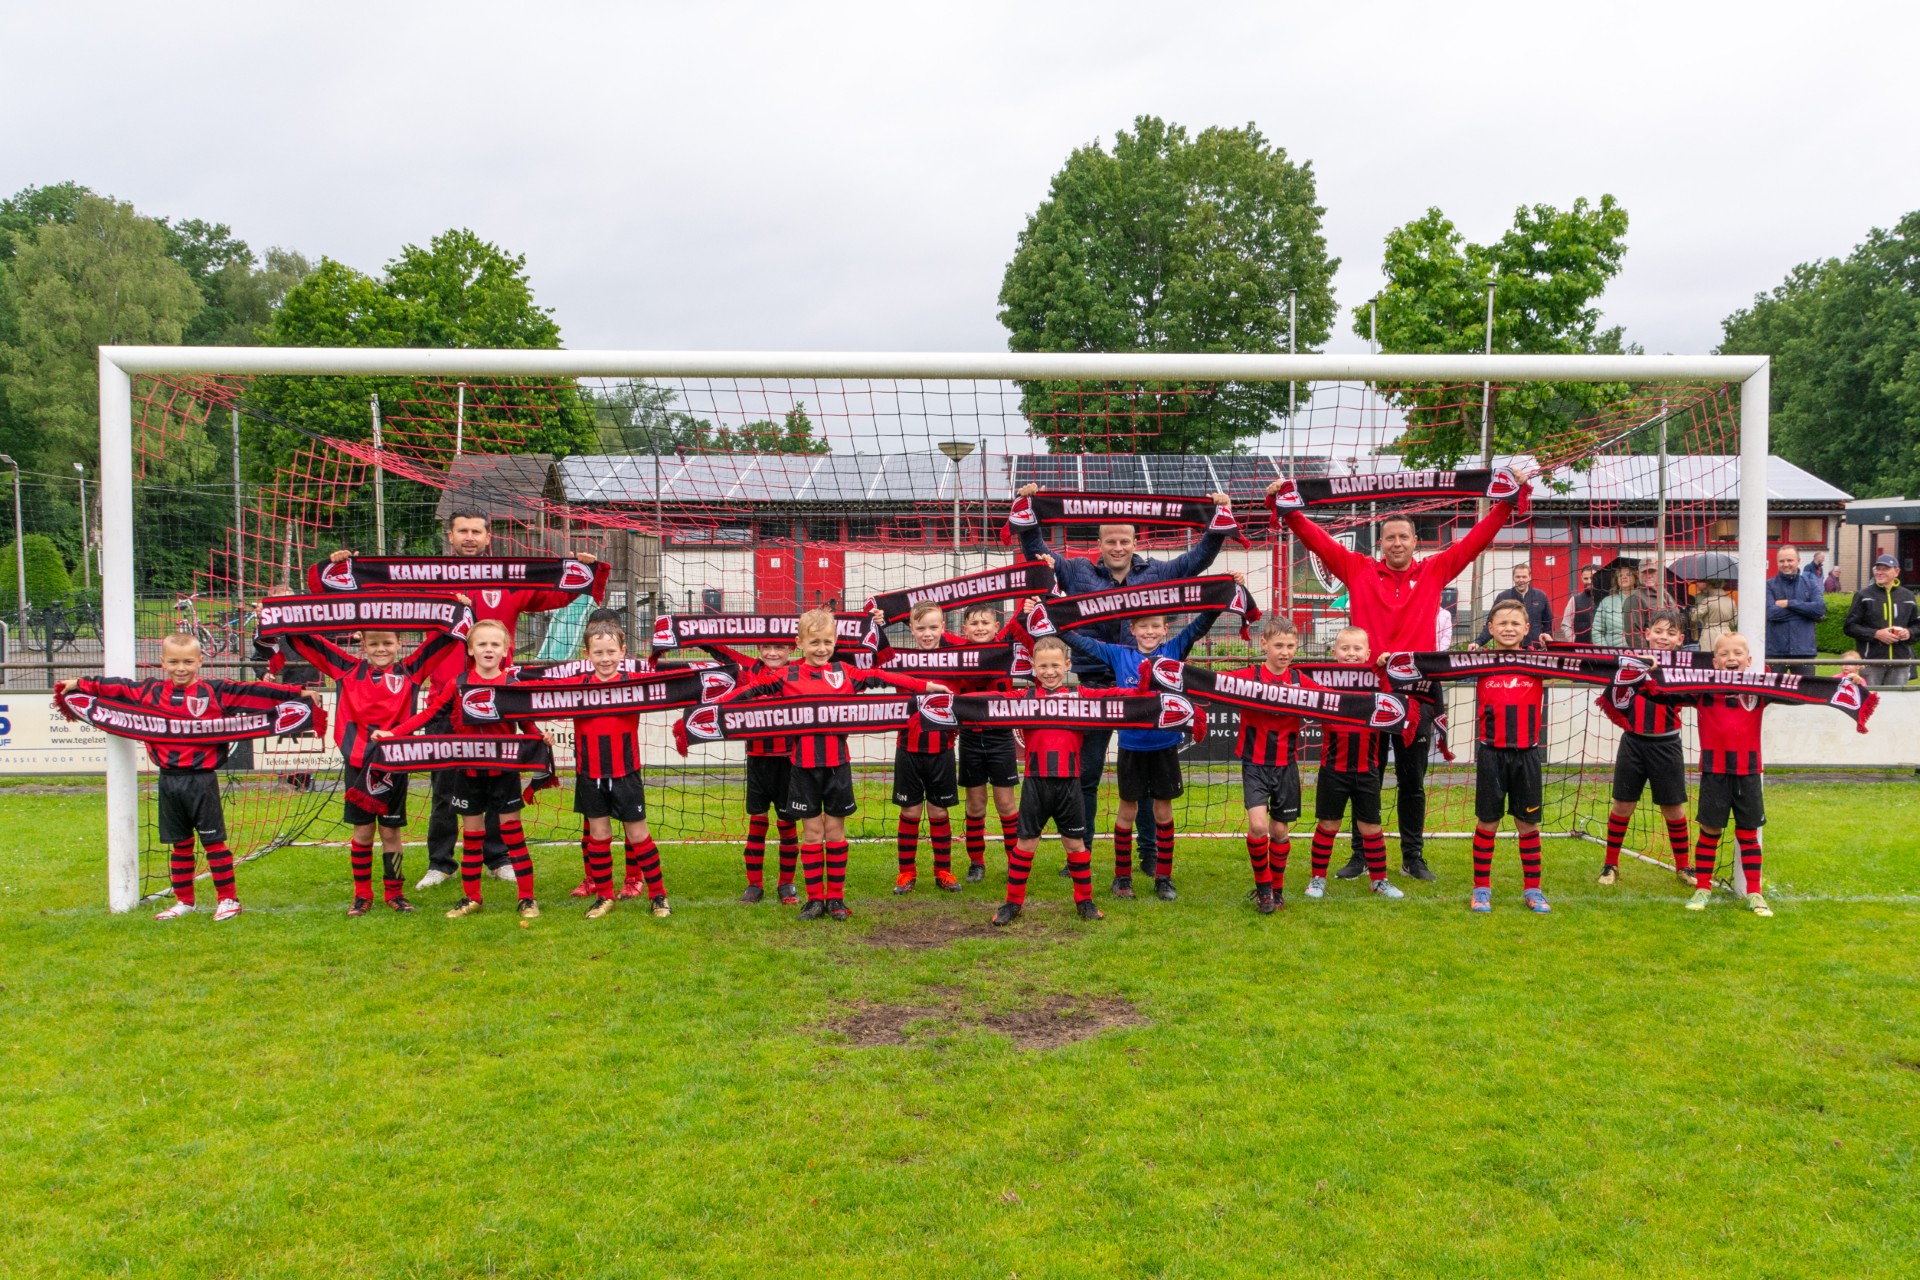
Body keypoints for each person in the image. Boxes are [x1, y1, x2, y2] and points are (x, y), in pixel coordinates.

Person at [318, 510, 601, 892]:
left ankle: (497, 858)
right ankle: (441, 862)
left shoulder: (511, 581)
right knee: (445, 787)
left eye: (477, 531)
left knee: (500, 783)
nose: (469, 537)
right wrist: (347, 571)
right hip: (444, 701)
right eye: (462, 531)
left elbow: (559, 592)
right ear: (450, 536)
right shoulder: (428, 583)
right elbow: (382, 594)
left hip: (497, 701)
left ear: (488, 538)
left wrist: (586, 570)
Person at [1270, 474, 1525, 882]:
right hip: (1365, 694)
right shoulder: (1358, 569)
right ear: (1380, 544)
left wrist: (1508, 503)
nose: (1396, 543)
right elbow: (1319, 541)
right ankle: (1360, 856)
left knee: (1412, 781)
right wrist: (1289, 509)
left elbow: (1475, 541)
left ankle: (1413, 856)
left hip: (1416, 696)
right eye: (1389, 538)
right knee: (1359, 777)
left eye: (1403, 537)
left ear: (1415, 542)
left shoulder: (1435, 571)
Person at [1011, 482, 1234, 875]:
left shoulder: (1158, 572)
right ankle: (1080, 853)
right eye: (1110, 541)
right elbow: (1040, 556)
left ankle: (1149, 856)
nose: (1118, 547)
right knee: (1087, 775)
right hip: (1093, 687)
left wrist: (1216, 523)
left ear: (1135, 541)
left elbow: (1197, 561)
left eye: (1125, 540)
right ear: (1099, 543)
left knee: (1145, 781)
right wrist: (1029, 512)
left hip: (1144, 688)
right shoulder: (1078, 570)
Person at [59, 634, 315, 922]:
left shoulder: (216, 691)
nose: (181, 668)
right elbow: (117, 688)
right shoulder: (149, 691)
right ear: (163, 663)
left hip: (202, 780)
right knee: (180, 844)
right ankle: (184, 901)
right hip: (168, 780)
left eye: (188, 662)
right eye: (174, 662)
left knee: (214, 843)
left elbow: (253, 691)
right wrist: (80, 684)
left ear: (200, 662)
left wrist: (296, 693)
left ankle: (228, 899)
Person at [724, 608, 946, 921]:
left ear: (835, 642)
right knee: (813, 834)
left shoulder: (844, 673)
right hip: (802, 767)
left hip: (837, 766)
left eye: (827, 642)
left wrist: (925, 687)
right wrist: (718, 708)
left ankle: (836, 899)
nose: (821, 648)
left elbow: (881, 677)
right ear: (800, 643)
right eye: (814, 642)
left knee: (835, 833)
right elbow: (752, 690)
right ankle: (815, 900)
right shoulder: (787, 675)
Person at [280, 617, 467, 915]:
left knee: (392, 832)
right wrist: (282, 616)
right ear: (363, 644)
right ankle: (362, 895)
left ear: (399, 644)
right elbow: (309, 642)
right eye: (374, 643)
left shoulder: (411, 670)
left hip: (394, 763)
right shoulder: (347, 668)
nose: (381, 649)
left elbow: (446, 638)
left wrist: (460, 611)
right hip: (358, 763)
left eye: (388, 643)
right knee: (363, 831)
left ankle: (395, 893)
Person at [1062, 598, 1228, 902]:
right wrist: (1055, 621)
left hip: (1164, 747)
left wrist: (1224, 594)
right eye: (1143, 626)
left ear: (1165, 630)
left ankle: (1164, 877)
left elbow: (1200, 625)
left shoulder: (1173, 651)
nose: (1149, 632)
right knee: (1127, 811)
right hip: (1131, 748)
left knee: (1163, 811)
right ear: (1132, 629)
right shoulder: (1119, 655)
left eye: (1155, 626)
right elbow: (1082, 642)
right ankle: (1122, 877)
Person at [380, 619, 546, 919]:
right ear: (470, 649)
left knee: (513, 835)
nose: (488, 649)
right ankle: (472, 898)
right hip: (468, 773)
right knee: (472, 835)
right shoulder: (457, 684)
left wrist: (539, 736)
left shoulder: (512, 686)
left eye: (495, 644)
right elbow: (429, 714)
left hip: (504, 774)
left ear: (506, 649)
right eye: (482, 644)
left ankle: (527, 898)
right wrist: (396, 733)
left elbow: (526, 722)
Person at [1643, 633, 1777, 916]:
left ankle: (1755, 892)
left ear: (1749, 660)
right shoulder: (1703, 689)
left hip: (1748, 771)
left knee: (1748, 834)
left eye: (1738, 653)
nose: (1732, 659)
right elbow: (1662, 692)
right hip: (1714, 771)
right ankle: (1703, 887)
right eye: (1725, 655)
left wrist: (1844, 682)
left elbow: (1801, 692)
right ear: (1715, 662)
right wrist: (1649, 672)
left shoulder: (1759, 687)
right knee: (1710, 831)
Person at [556, 619, 670, 918]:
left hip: (625, 772)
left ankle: (658, 896)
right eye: (598, 653)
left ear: (623, 652)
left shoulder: (634, 685)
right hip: (589, 773)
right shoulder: (576, 688)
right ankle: (605, 896)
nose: (605, 659)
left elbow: (673, 685)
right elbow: (537, 692)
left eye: (610, 652)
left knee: (637, 835)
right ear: (586, 655)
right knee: (599, 834)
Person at [993, 636, 1103, 926]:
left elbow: (1119, 699)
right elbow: (987, 704)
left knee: (1075, 844)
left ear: (1067, 665)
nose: (1050, 671)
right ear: (1033, 667)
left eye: (1056, 665)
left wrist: (1147, 694)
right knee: (1026, 844)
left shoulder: (1082, 696)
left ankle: (1085, 901)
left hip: (1069, 783)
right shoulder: (1024, 699)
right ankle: (1013, 904)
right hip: (1035, 783)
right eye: (1043, 666)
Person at [1595, 609, 1694, 886]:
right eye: (1659, 632)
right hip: (1634, 743)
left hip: (1667, 744)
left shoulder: (1684, 667)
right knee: (1623, 805)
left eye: (1671, 634)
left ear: (1680, 639)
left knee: (1673, 808)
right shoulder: (1630, 664)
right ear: (1647, 634)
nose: (1664, 638)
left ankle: (1684, 866)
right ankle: (1610, 865)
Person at [1305, 626, 1403, 903]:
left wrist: (1384, 667)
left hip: (1367, 770)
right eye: (1345, 648)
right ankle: (1318, 879)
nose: (1351, 654)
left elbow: (1396, 689)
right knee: (1328, 825)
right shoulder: (1324, 683)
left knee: (1371, 827)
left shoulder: (1377, 682)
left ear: (1368, 654)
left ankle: (1379, 880)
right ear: (1334, 653)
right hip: (1333, 770)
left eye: (1357, 648)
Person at [702, 638, 802, 904]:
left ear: (792, 649)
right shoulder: (748, 670)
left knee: (786, 822)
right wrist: (698, 634)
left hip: (789, 760)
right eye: (766, 647)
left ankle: (787, 884)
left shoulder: (799, 671)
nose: (772, 652)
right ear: (758, 649)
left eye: (779, 647)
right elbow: (721, 651)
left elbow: (833, 654)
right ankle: (754, 885)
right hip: (757, 759)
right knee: (757, 821)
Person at [1468, 599, 1552, 914]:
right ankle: (1481, 888)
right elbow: (1437, 666)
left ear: (1527, 629)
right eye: (1502, 623)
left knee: (1527, 824)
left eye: (1515, 623)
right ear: (1490, 628)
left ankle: (1533, 889)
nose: (1508, 628)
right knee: (1487, 823)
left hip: (1527, 755)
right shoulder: (1479, 661)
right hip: (1491, 754)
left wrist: (1551, 645)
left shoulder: (1539, 660)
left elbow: (1579, 663)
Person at [887, 603, 962, 894]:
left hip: (942, 749)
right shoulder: (900, 660)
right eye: (921, 628)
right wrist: (879, 621)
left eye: (933, 627)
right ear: (911, 629)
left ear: (943, 627)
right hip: (908, 748)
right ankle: (906, 873)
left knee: (939, 812)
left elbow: (987, 647)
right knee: (910, 811)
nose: (927, 634)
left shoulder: (956, 659)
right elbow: (874, 653)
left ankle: (943, 871)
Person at [954, 603, 1025, 883]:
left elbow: (1019, 622)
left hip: (1000, 736)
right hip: (971, 736)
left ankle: (1014, 860)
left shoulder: (1005, 648)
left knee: (1006, 804)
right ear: (964, 629)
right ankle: (976, 861)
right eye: (974, 623)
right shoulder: (956, 653)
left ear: (997, 627)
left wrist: (1029, 602)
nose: (980, 627)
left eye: (986, 623)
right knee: (975, 805)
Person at [1843, 555, 1917, 688]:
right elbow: (1849, 626)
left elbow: (1917, 625)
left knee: (1895, 704)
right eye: (1877, 569)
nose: (1879, 572)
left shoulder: (1908, 596)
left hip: (1900, 662)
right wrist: (1876, 634)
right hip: (1871, 663)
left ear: (1897, 572)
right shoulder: (1863, 595)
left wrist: (1909, 632)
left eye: (1885, 569)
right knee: (1870, 703)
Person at [1764, 545, 1826, 676]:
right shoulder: (1768, 585)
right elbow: (1770, 613)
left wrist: (1789, 603)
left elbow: (1820, 609)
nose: (1786, 564)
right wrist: (1806, 612)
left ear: (1798, 561)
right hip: (1775, 652)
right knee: (1771, 695)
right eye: (1781, 561)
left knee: (1806, 694)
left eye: (1789, 560)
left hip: (1804, 652)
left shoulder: (1810, 584)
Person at [1475, 563, 1553, 646]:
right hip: (1510, 648)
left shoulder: (1540, 596)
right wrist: (1478, 642)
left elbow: (1549, 623)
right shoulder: (1503, 597)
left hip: (1535, 648)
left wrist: (1548, 641)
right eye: (1518, 577)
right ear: (1513, 578)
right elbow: (1491, 624)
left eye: (1524, 577)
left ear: (1530, 577)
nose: (1521, 580)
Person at [1590, 561, 1640, 647]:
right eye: (1620, 575)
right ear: (1616, 580)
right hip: (1612, 655)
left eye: (1628, 574)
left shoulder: (1642, 600)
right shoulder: (1607, 602)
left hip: (1638, 654)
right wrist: (1606, 651)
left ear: (1635, 578)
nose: (1624, 577)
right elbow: (1597, 631)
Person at [1690, 579, 1737, 652]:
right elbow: (1733, 623)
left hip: (1709, 634)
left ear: (1710, 585)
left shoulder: (1708, 601)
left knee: (1708, 659)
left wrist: (1692, 609)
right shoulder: (1731, 601)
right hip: (1726, 634)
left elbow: (1694, 618)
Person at [1558, 565, 1598, 643]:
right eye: (1586, 578)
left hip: (1602, 650)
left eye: (1592, 578)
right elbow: (1565, 624)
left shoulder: (1607, 600)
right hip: (1580, 649)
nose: (1589, 581)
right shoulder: (1574, 600)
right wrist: (1573, 640)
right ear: (1581, 579)